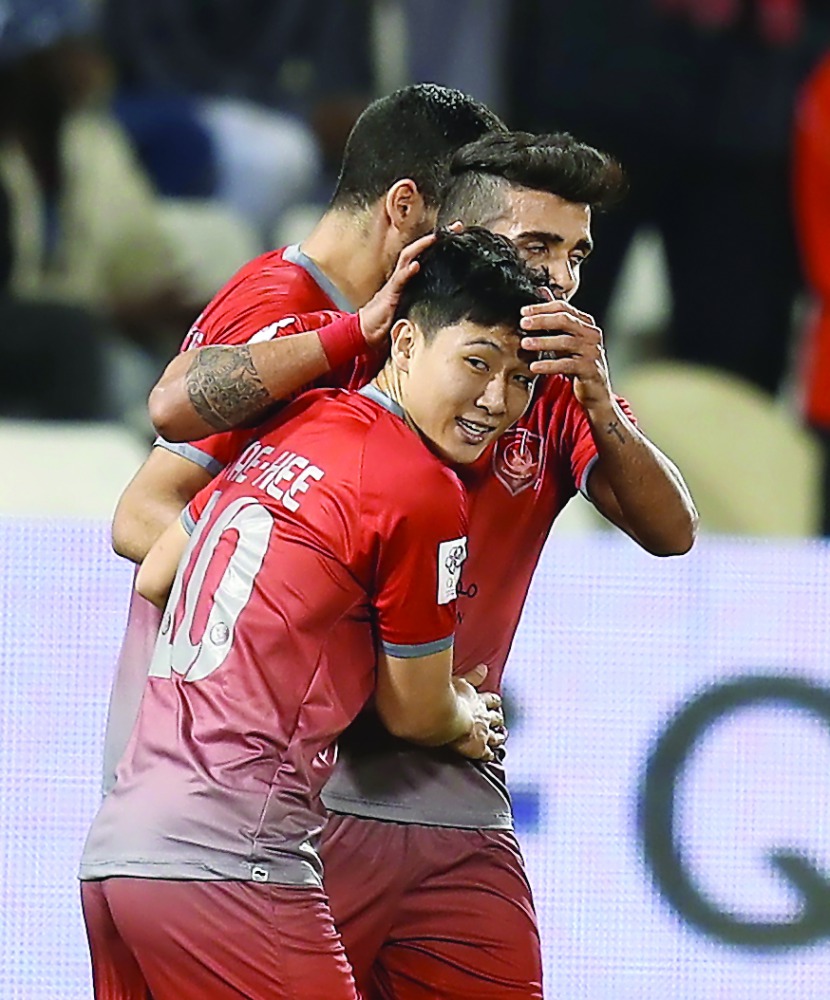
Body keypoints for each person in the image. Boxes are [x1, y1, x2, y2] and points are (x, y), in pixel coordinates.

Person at [139, 130, 698, 998]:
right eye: (536, 247)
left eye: (577, 255)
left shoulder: (550, 392)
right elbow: (152, 505)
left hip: (458, 795)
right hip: (312, 799)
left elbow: (673, 532)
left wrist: (600, 400)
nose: (559, 279)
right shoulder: (359, 363)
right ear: (458, 244)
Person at [79, 227, 543, 1000]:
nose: (496, 400)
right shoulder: (422, 488)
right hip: (235, 861)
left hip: (120, 856)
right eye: (477, 363)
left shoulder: (295, 425)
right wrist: (465, 712)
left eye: (520, 378)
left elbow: (159, 567)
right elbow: (415, 710)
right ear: (403, 341)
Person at [98, 82, 505, 796]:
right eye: (463, 230)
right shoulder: (284, 311)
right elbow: (142, 515)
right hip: (201, 762)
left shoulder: (363, 323)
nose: (470, 256)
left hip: (246, 764)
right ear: (403, 207)